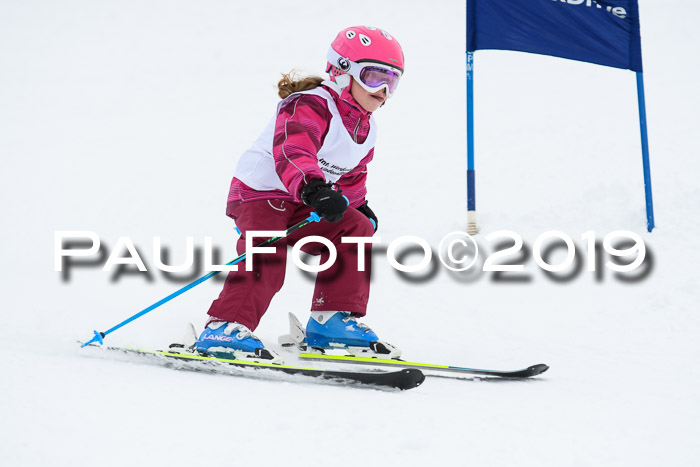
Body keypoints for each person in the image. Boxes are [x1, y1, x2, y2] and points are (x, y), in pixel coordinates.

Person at [194, 26, 405, 361]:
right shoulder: (310, 104)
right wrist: (314, 188)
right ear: (342, 70)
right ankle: (225, 326)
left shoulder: (366, 128)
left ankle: (330, 320)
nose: (383, 90)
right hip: (262, 193)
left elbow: (350, 175)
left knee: (356, 228)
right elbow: (294, 149)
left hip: (304, 198)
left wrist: (358, 205)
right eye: (374, 77)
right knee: (268, 253)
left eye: (392, 81)